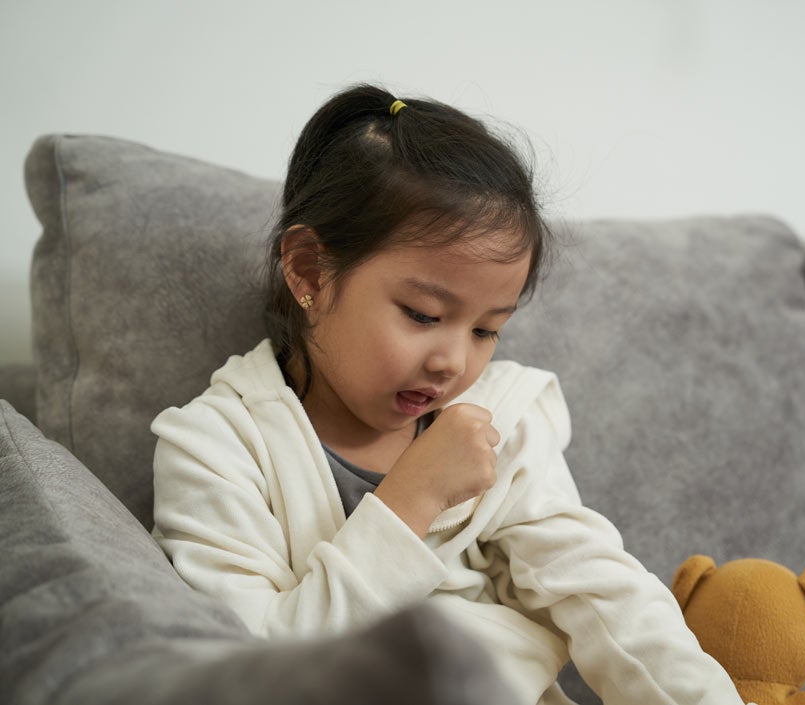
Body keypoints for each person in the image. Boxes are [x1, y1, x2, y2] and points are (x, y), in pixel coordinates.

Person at [151, 84, 745, 705]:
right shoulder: (215, 450)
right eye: (423, 314)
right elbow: (261, 674)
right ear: (309, 270)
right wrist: (413, 497)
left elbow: (600, 591)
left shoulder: (497, 422)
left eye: (488, 329)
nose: (454, 362)